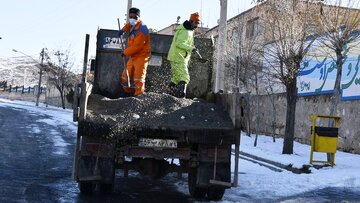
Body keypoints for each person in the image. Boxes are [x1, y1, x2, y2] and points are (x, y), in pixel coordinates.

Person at [118, 7, 151, 97]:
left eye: (135, 17)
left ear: (139, 17)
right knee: (125, 75)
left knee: (138, 78)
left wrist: (125, 52)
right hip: (133, 56)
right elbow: (129, 25)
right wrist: (123, 30)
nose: (132, 19)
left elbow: (137, 47)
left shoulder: (142, 29)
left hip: (142, 56)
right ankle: (128, 93)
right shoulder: (133, 24)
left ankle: (138, 97)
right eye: (130, 17)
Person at [167, 12, 200, 98]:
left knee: (176, 78)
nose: (197, 25)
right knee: (184, 76)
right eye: (196, 23)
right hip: (178, 57)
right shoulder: (186, 31)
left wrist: (191, 48)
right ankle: (181, 97)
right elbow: (179, 43)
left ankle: (169, 96)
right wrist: (191, 48)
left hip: (176, 56)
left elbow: (182, 43)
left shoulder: (188, 30)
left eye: (198, 23)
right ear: (191, 21)